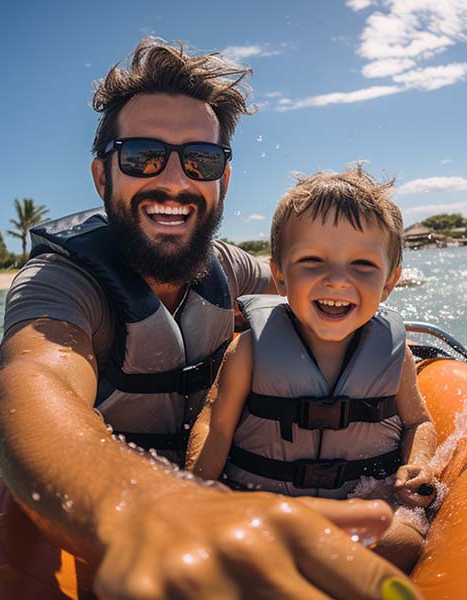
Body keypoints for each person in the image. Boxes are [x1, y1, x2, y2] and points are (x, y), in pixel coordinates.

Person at [0, 38, 422, 600]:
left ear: (221, 180)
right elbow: (31, 383)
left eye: (201, 160)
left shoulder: (229, 268)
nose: (174, 180)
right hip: (123, 503)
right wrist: (152, 504)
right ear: (103, 177)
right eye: (142, 156)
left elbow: (329, 303)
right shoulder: (61, 284)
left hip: (232, 481)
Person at [187, 167, 438, 572]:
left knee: (403, 541)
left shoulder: (396, 356)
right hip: (268, 509)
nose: (337, 280)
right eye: (313, 261)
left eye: (361, 264)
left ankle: (305, 563)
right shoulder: (249, 349)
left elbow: (418, 422)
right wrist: (197, 498)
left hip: (357, 512)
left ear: (389, 283)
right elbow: (214, 425)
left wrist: (420, 463)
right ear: (281, 276)